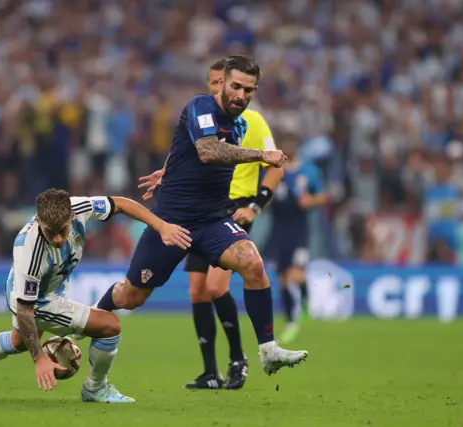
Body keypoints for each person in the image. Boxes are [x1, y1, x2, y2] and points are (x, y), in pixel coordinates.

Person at [95, 55, 309, 376]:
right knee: (131, 296)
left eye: (248, 90)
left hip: (212, 220)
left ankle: (267, 350)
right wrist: (261, 155)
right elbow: (208, 151)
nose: (241, 95)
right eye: (235, 86)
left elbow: (187, 148)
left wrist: (167, 169)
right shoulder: (200, 105)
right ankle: (90, 316)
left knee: (252, 262)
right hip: (172, 222)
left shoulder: (244, 123)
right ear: (222, 83)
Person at [0, 189, 192, 403]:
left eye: (63, 231)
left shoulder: (79, 207)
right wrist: (39, 359)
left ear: (70, 215)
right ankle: (96, 388)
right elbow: (25, 311)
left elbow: (120, 204)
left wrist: (161, 226)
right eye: (50, 232)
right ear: (39, 221)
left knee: (19, 342)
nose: (57, 239)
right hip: (35, 299)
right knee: (110, 327)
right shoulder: (30, 254)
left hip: (48, 286)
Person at [138, 58, 284, 390]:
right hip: (197, 209)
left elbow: (276, 165)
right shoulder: (205, 117)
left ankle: (239, 359)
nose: (220, 89)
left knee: (216, 287)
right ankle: (209, 372)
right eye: (215, 83)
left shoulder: (252, 121)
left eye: (226, 83)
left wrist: (255, 205)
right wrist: (168, 172)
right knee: (198, 291)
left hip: (231, 211)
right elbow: (197, 150)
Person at [264, 134, 328, 343]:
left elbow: (322, 196)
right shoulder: (272, 170)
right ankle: (291, 320)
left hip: (299, 230)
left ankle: (301, 307)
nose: (288, 148)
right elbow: (264, 197)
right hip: (278, 229)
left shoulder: (309, 171)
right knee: (282, 278)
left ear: (297, 147)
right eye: (285, 145)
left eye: (292, 145)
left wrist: (310, 200)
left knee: (294, 275)